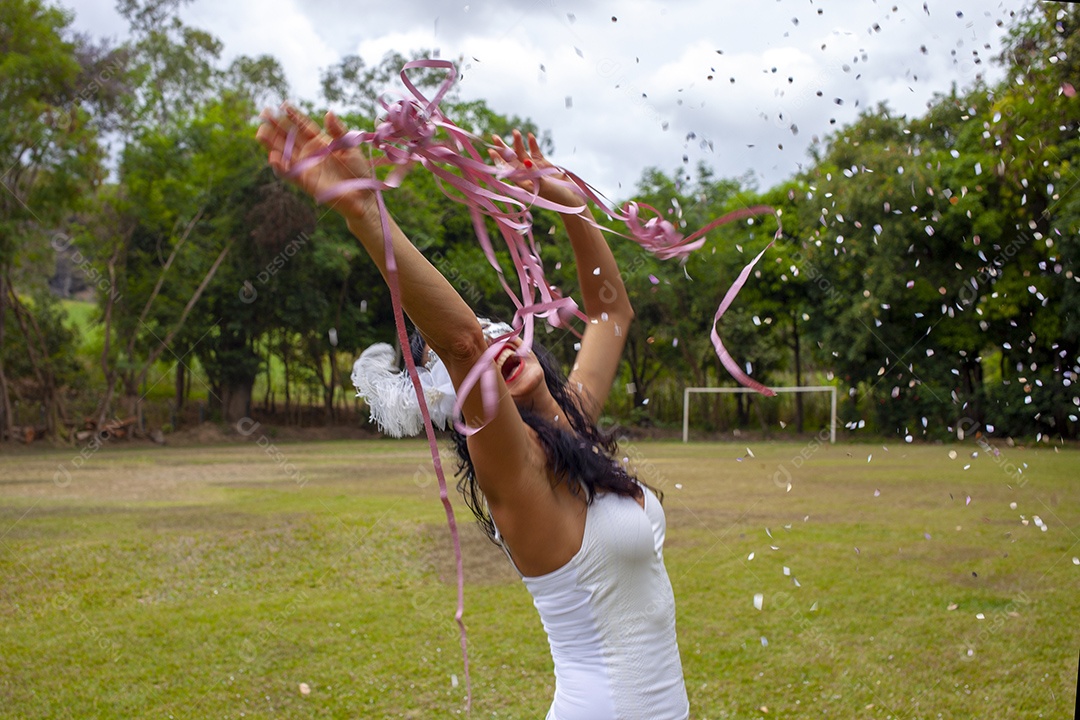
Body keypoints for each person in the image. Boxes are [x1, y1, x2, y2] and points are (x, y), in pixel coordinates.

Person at [256, 104, 690, 720]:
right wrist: (365, 211)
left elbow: (610, 313)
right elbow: (461, 341)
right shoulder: (518, 475)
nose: (492, 344)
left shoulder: (576, 426)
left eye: (499, 332)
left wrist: (568, 202)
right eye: (475, 360)